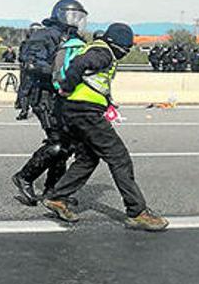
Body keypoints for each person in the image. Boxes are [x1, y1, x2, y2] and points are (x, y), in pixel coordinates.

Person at [42, 23, 169, 231]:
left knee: (88, 158)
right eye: (126, 48)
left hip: (74, 111)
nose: (126, 52)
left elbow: (92, 79)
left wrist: (107, 100)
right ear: (118, 43)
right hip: (85, 113)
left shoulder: (98, 49)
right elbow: (79, 64)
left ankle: (57, 198)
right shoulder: (104, 52)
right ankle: (137, 212)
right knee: (119, 158)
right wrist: (66, 87)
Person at [11, 0, 88, 206]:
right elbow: (31, 63)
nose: (76, 20)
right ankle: (25, 177)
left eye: (79, 17)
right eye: (72, 15)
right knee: (58, 141)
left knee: (67, 143)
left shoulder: (73, 39)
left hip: (60, 95)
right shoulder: (45, 35)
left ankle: (53, 190)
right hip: (43, 94)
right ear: (60, 14)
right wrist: (57, 74)